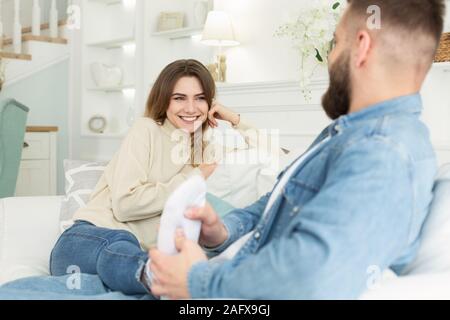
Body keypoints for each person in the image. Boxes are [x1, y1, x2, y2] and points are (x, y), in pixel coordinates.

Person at [149, 0, 445, 299]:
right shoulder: (349, 135)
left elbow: (310, 274)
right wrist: (223, 230)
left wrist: (198, 281)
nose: (331, 57)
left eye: (336, 42)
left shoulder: (382, 152)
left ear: (362, 46)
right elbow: (280, 201)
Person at [49, 59, 255, 295]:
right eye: (179, 98)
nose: (190, 108)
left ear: (210, 103)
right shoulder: (146, 129)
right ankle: (158, 274)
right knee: (123, 248)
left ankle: (155, 275)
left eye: (200, 98)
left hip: (134, 265)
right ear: (164, 99)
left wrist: (235, 119)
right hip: (86, 241)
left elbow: (270, 154)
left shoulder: (205, 151)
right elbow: (125, 204)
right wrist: (194, 177)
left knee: (130, 276)